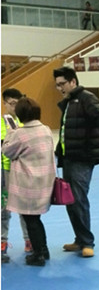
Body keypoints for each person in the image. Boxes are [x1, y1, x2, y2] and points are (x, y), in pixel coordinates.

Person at [53, 66, 99, 258]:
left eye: (62, 84)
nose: (60, 88)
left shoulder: (86, 98)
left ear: (73, 82)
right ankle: (79, 239)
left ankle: (87, 242)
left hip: (83, 157)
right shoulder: (68, 103)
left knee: (78, 198)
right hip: (69, 157)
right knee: (69, 200)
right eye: (57, 85)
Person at [2, 98, 55, 267]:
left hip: (28, 183)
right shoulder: (46, 130)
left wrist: (10, 133)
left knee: (31, 220)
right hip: (45, 181)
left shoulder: (20, 134)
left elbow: (7, 151)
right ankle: (44, 250)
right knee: (36, 219)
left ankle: (38, 254)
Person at [1, 88, 32, 262]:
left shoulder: (26, 123)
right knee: (3, 209)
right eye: (11, 103)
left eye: (17, 103)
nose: (14, 107)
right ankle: (2, 242)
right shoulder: (1, 123)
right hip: (4, 171)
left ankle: (29, 240)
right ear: (5, 103)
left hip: (23, 171)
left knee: (25, 208)